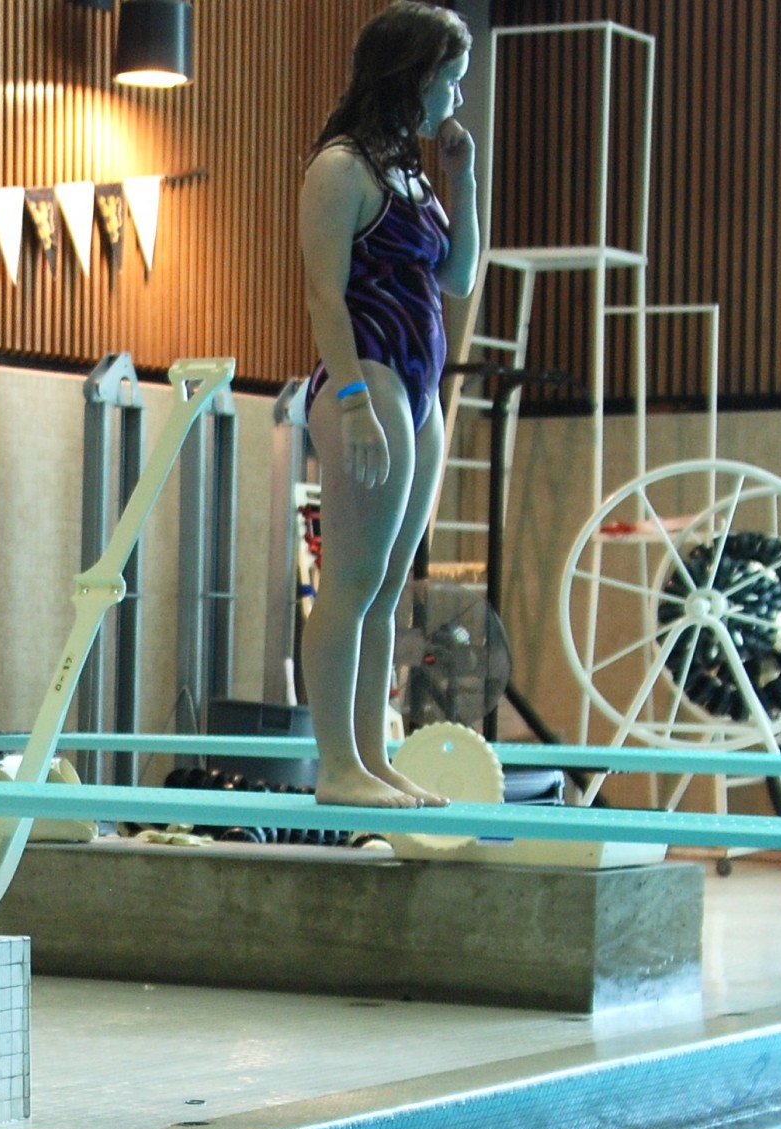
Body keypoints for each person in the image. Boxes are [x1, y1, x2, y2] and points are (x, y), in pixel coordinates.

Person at [298, 2, 482, 807]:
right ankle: (337, 766)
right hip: (365, 377)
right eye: (448, 81)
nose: (454, 100)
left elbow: (460, 276)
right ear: (411, 75)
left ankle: (371, 759)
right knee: (351, 579)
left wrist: (464, 180)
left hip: (418, 386)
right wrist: (350, 400)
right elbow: (323, 295)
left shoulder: (409, 170)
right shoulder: (342, 167)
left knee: (387, 585)